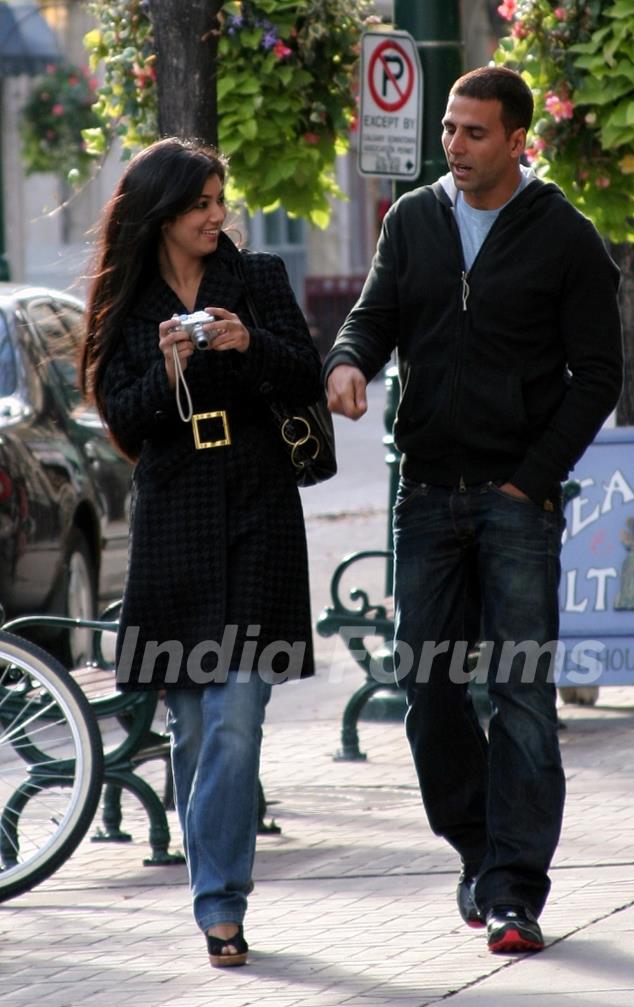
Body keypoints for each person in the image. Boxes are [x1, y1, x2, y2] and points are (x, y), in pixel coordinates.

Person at [323, 66, 623, 954]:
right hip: (425, 494)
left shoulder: (565, 236)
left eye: (474, 133)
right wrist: (347, 362)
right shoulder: (414, 219)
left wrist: (531, 478)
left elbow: (598, 375)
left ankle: (514, 891)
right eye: (448, 130)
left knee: (522, 694)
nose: (453, 146)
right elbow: (373, 318)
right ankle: (480, 848)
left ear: (518, 138)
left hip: (513, 503)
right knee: (428, 689)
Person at [80, 138, 322, 967]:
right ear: (163, 214)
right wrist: (167, 363)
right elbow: (122, 418)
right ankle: (211, 893)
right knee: (192, 723)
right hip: (177, 508)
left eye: (221, 200)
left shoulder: (256, 281)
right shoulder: (127, 299)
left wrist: (246, 344)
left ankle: (222, 903)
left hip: (257, 501)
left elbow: (307, 373)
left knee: (236, 714)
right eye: (201, 205)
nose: (218, 216)